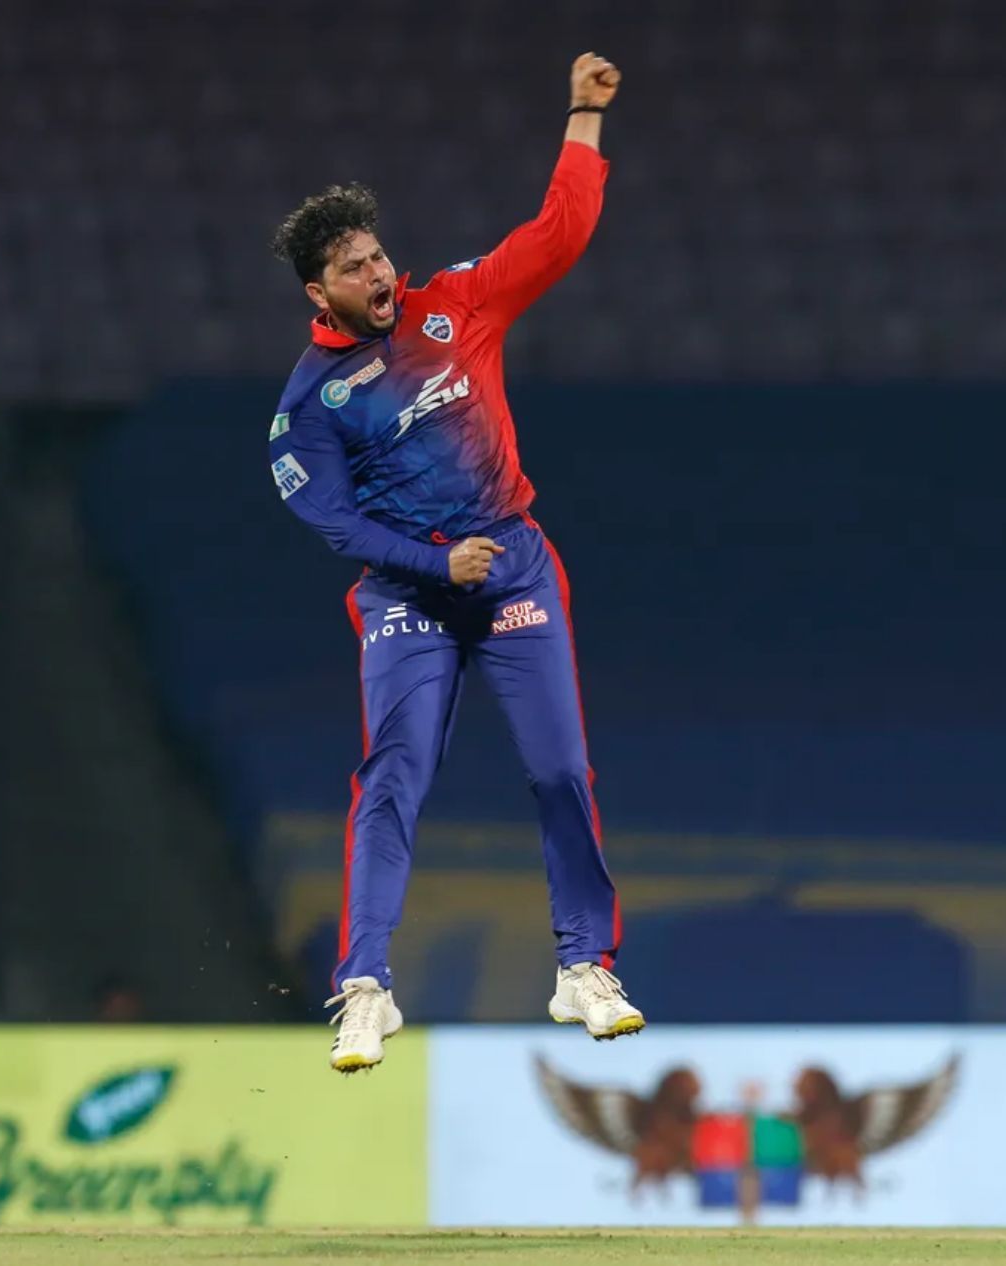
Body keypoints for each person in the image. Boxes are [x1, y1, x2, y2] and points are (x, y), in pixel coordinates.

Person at [267, 53, 643, 1072]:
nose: (381, 275)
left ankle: (582, 969)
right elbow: (337, 528)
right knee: (393, 776)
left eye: (381, 257)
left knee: (560, 767)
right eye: (355, 270)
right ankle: (366, 987)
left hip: (514, 568)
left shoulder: (453, 309)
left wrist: (581, 118)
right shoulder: (311, 405)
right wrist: (437, 566)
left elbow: (553, 237)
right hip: (410, 593)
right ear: (320, 291)